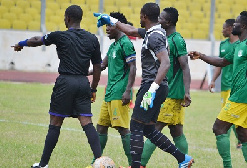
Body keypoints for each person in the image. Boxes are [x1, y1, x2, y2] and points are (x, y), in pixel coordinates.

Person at [94, 2, 194, 168]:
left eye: (140, 16)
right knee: (148, 129)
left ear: (144, 16)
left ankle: (136, 166)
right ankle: (182, 158)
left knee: (135, 125)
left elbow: (166, 63)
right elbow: (131, 30)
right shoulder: (153, 31)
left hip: (153, 86)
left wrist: (152, 90)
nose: (138, 19)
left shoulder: (154, 36)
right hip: (157, 86)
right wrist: (111, 20)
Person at [12, 5, 102, 168]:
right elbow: (97, 67)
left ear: (67, 18)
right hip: (83, 83)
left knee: (55, 122)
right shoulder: (92, 39)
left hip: (65, 82)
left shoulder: (60, 36)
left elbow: (37, 41)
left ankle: (43, 164)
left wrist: (21, 43)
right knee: (86, 121)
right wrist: (93, 88)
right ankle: (101, 161)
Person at [189, 11, 247, 168]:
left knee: (218, 127)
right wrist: (201, 56)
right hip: (242, 96)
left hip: (242, 96)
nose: (234, 25)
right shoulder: (238, 45)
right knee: (244, 134)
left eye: (237, 23)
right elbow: (222, 61)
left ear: (244, 26)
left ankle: (227, 166)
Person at [140, 7, 192, 167]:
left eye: (161, 18)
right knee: (177, 130)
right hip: (169, 93)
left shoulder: (176, 40)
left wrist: (187, 91)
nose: (158, 20)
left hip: (171, 94)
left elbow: (185, 66)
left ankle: (139, 164)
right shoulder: (162, 37)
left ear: (168, 22)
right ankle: (185, 162)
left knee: (153, 129)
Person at [87, 12, 136, 168]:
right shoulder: (113, 45)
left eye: (109, 25)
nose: (107, 29)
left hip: (120, 93)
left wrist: (128, 91)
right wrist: (84, 72)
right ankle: (96, 162)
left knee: (122, 129)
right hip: (109, 93)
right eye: (106, 26)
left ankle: (133, 164)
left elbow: (133, 67)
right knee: (101, 127)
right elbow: (101, 66)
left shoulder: (126, 43)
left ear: (118, 25)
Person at [209, 19, 242, 149]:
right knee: (227, 114)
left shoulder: (241, 45)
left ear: (230, 28)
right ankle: (232, 141)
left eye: (223, 28)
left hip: (236, 86)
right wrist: (213, 80)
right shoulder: (223, 44)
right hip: (224, 86)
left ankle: (236, 140)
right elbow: (219, 64)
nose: (222, 31)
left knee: (229, 114)